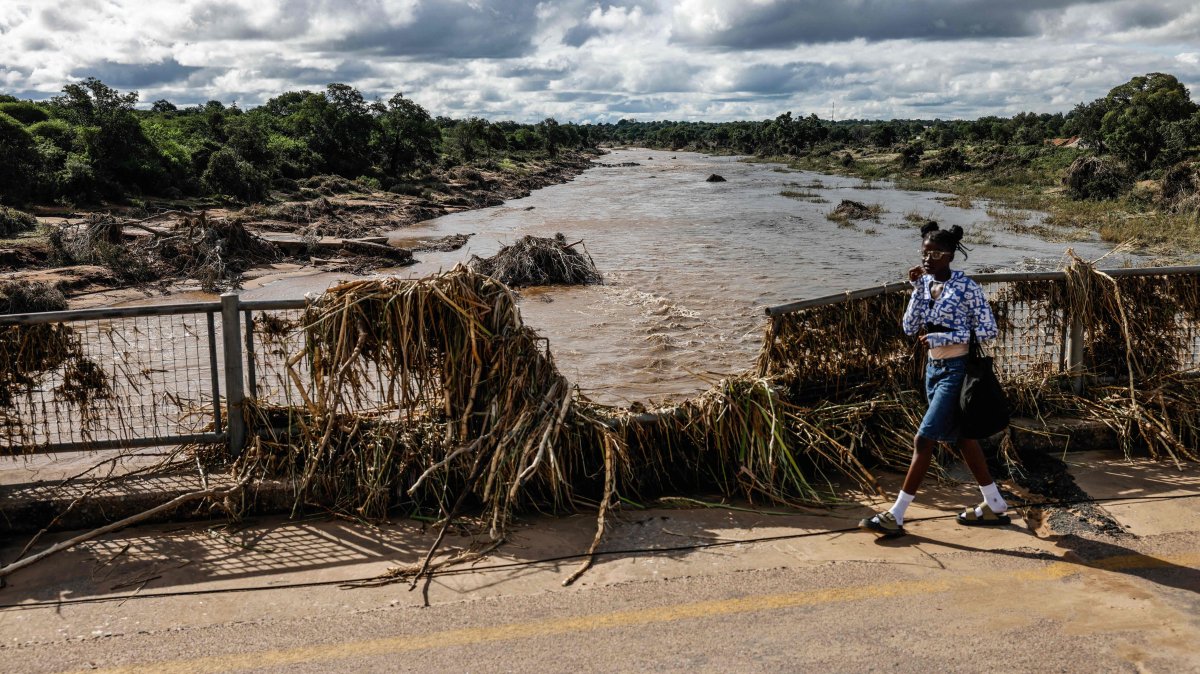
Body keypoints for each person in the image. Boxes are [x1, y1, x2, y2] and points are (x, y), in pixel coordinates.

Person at [859, 222, 1010, 538]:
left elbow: (988, 330)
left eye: (936, 253)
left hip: (957, 370)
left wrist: (943, 335)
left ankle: (896, 514)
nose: (928, 259)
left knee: (924, 439)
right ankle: (994, 504)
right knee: (964, 438)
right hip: (933, 371)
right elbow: (908, 327)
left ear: (950, 255)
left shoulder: (966, 288)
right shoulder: (924, 285)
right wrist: (916, 290)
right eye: (924, 252)